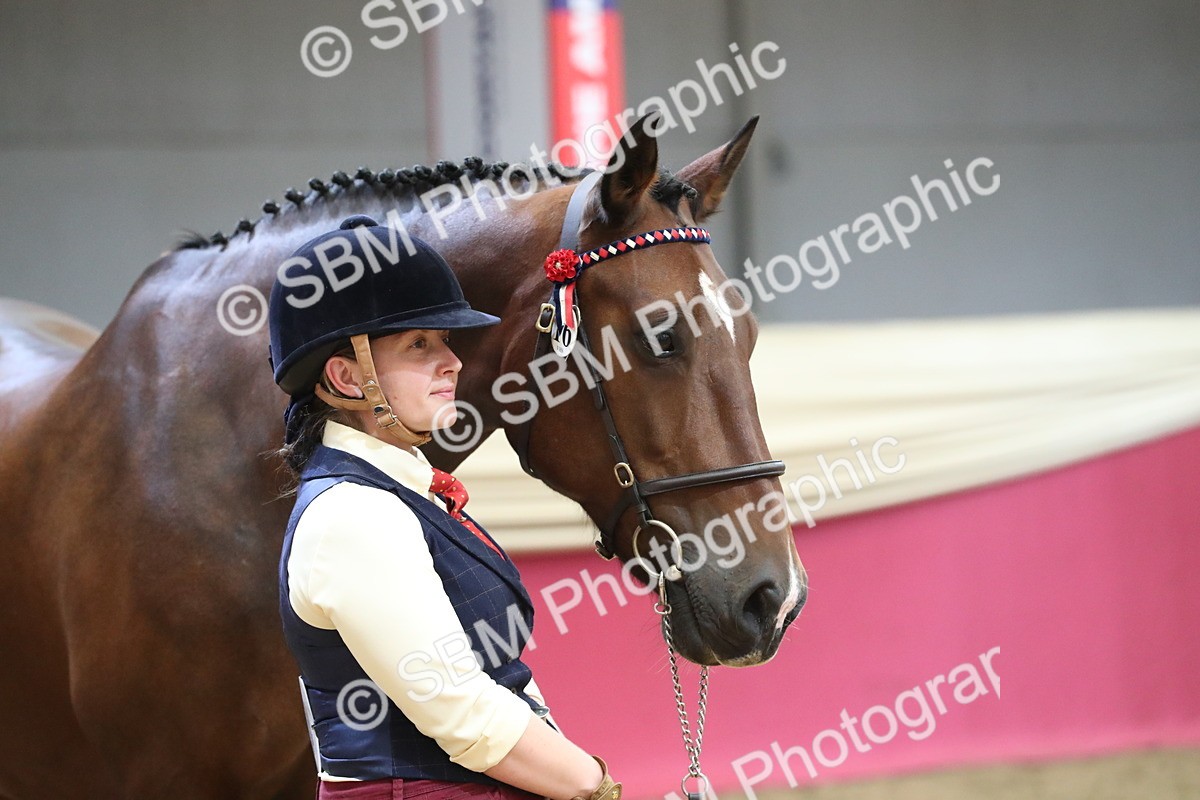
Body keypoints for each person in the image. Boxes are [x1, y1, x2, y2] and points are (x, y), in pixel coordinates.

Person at [267, 215, 621, 800]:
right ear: (346, 375)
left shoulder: (399, 494)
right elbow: (462, 712)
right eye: (419, 344)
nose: (453, 362)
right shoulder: (353, 515)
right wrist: (597, 786)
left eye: (445, 341)